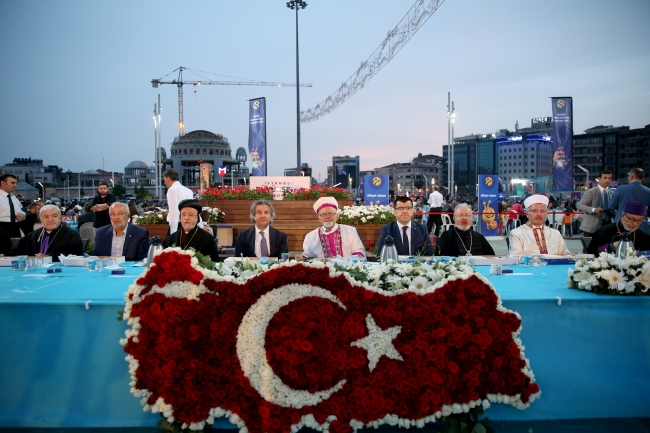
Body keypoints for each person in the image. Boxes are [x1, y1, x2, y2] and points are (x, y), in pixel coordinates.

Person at [301, 197, 366, 258]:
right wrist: (302, 258)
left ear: (337, 216)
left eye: (331, 213)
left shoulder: (350, 231)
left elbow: (358, 252)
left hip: (347, 269)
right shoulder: (310, 236)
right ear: (319, 218)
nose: (327, 217)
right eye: (323, 214)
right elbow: (307, 255)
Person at [14, 204, 83, 261]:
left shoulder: (72, 235)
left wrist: (50, 257)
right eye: (46, 217)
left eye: (54, 216)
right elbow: (17, 253)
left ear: (60, 217)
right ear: (40, 219)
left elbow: (75, 256)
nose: (50, 220)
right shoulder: (32, 236)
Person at [163, 169, 193, 235]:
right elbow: (194, 208)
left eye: (164, 179)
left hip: (178, 225)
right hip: (189, 224)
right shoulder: (188, 190)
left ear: (168, 178)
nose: (164, 182)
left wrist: (173, 232)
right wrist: (201, 226)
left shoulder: (172, 190)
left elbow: (174, 211)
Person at [0, 173, 26, 238]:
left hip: (15, 228)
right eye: (12, 183)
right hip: (1, 228)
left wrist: (23, 215)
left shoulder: (14, 198)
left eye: (16, 183)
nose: (15, 185)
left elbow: (22, 211)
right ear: (3, 183)